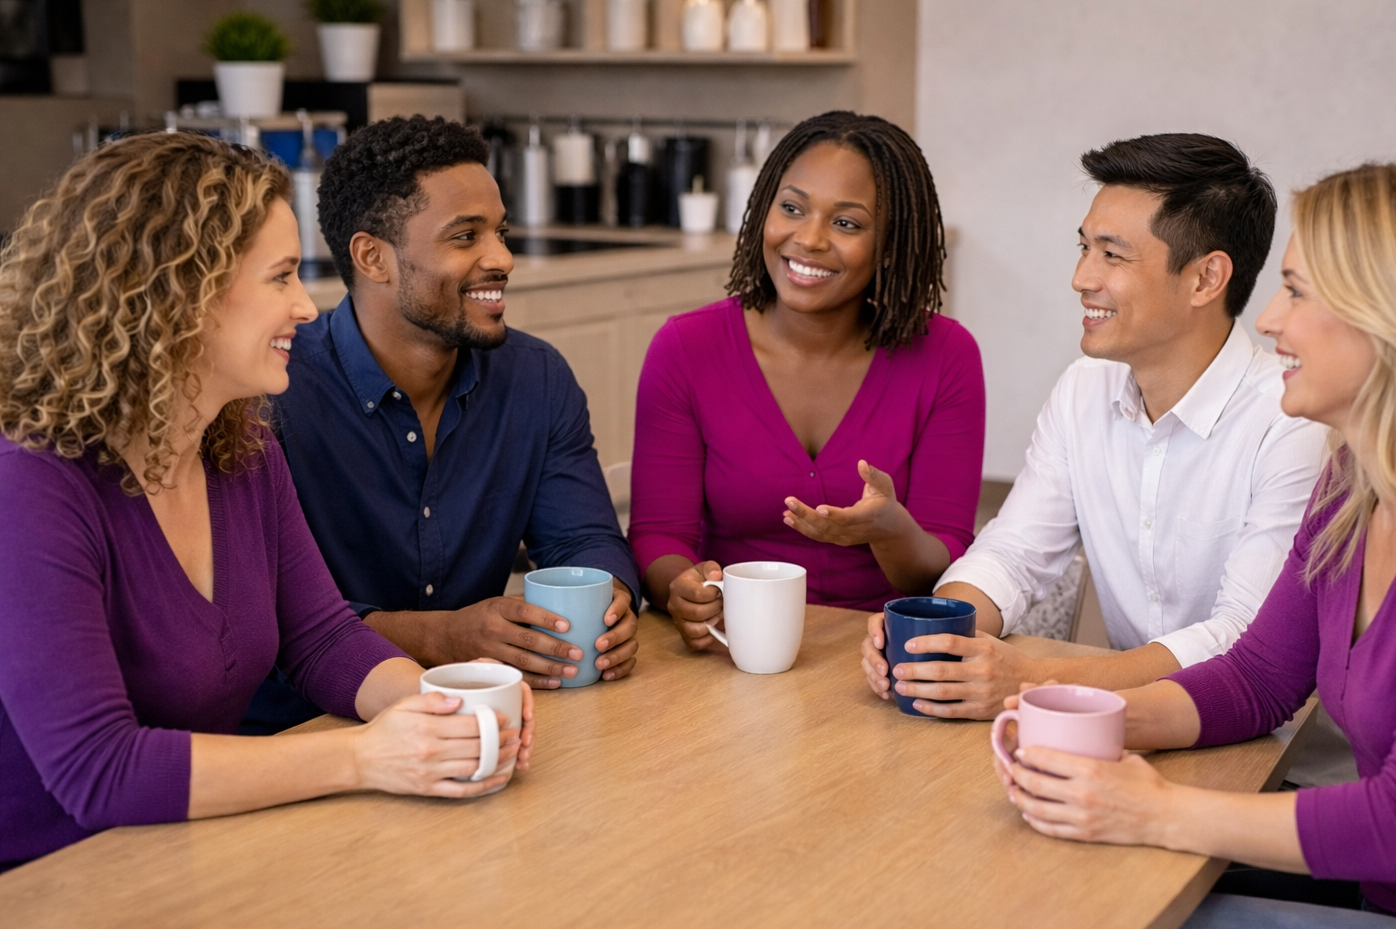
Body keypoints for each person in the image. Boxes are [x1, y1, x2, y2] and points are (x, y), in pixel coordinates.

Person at [992, 159, 1396, 929]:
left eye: (1295, 292)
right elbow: (1259, 679)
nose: (1272, 322)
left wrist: (1157, 810)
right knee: (1078, 883)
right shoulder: (1356, 475)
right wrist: (1093, 721)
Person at [0, 133, 532, 869]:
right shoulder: (31, 485)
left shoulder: (239, 452)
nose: (307, 309)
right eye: (280, 278)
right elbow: (99, 770)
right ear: (178, 295)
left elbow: (320, 639)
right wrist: (365, 758)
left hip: (195, 854)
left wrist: (441, 708)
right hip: (52, 893)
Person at [862, 133, 1329, 720]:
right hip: (1116, 725)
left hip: (1259, 739)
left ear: (1207, 279)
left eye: (1112, 255)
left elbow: (1243, 637)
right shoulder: (1085, 388)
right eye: (1084, 248)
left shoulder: (1292, 424)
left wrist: (1036, 679)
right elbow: (1013, 554)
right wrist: (939, 635)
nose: (1082, 277)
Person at [243, 116, 640, 734]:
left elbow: (582, 539)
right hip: (305, 732)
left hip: (480, 719)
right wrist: (444, 635)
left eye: (501, 232)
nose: (503, 258)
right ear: (373, 256)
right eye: (465, 237)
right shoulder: (272, 394)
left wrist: (607, 601)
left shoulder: (536, 378)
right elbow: (268, 621)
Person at [629, 111, 985, 650]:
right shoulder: (685, 349)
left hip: (880, 656)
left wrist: (889, 528)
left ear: (889, 242)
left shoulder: (946, 357)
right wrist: (683, 588)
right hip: (733, 653)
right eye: (791, 208)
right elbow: (659, 534)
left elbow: (943, 568)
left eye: (846, 223)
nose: (809, 239)